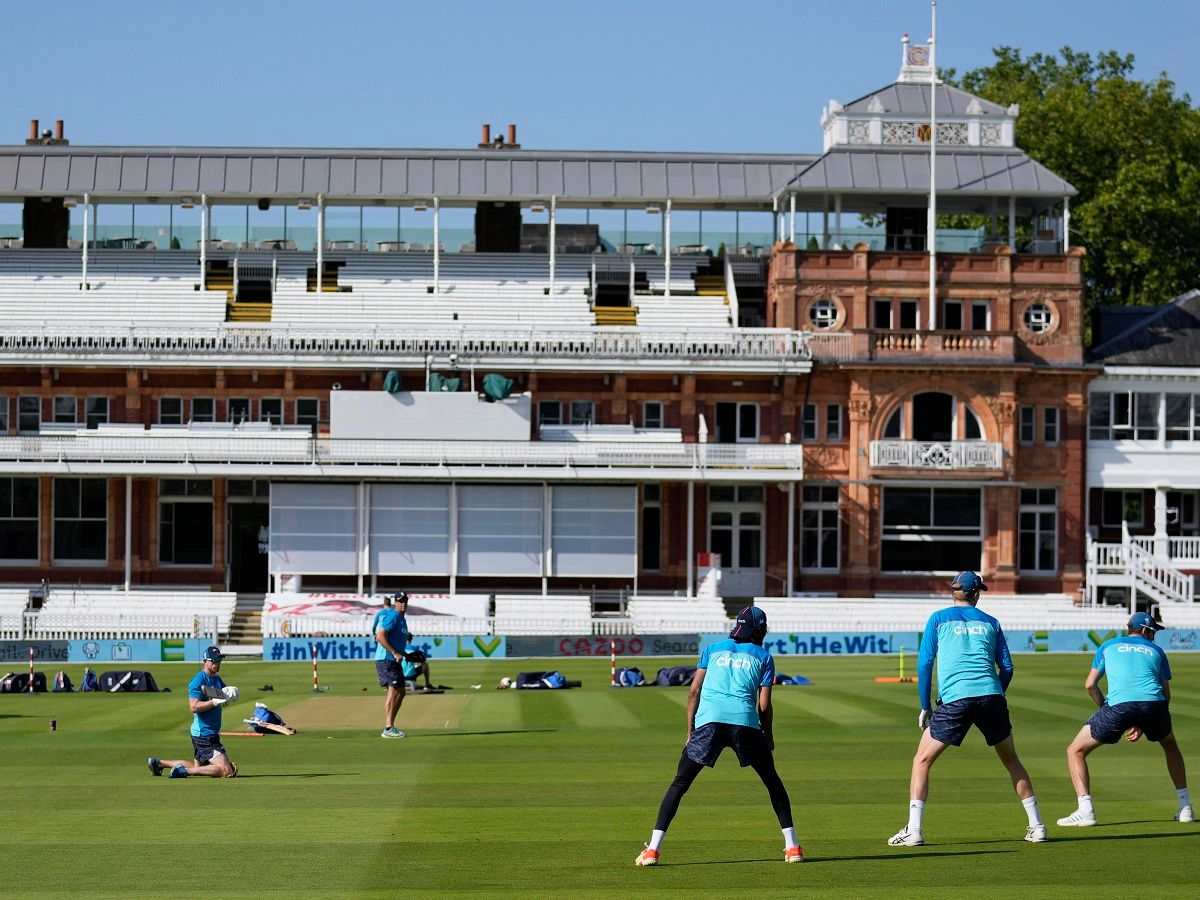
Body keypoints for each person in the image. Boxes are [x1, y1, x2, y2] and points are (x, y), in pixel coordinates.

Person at [635, 606, 803, 867]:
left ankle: (652, 851)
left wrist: (691, 731)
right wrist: (767, 735)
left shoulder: (712, 649)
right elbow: (765, 705)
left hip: (709, 722)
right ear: (760, 630)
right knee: (773, 783)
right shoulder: (764, 656)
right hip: (745, 723)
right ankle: (792, 848)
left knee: (679, 784)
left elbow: (693, 691)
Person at [888, 571, 1047, 846]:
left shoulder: (938, 619)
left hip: (955, 700)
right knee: (1012, 761)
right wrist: (997, 694)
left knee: (922, 761)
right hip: (991, 696)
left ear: (954, 592)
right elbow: (1007, 668)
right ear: (976, 594)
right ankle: (1037, 825)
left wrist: (925, 706)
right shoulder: (991, 622)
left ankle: (914, 831)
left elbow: (925, 663)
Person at [1057, 611, 1192, 826]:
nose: (1154, 636)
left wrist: (1108, 711)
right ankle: (1186, 808)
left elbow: (1090, 685)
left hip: (1119, 707)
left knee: (1075, 750)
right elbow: (1166, 694)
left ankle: (1086, 810)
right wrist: (1144, 719)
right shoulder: (1157, 651)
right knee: (1169, 743)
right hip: (1154, 705)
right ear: (1146, 631)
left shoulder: (1108, 646)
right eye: (1153, 632)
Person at [147, 645, 239, 778]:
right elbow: (194, 706)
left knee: (200, 768)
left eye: (219, 661)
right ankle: (184, 771)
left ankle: (158, 763)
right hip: (205, 734)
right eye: (214, 661)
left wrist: (231, 695)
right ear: (205, 661)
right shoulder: (198, 680)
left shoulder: (217, 679)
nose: (217, 664)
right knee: (227, 771)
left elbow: (224, 698)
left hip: (207, 732)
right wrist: (214, 702)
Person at [373, 592, 420, 738]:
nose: (403, 603)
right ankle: (388, 728)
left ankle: (390, 725)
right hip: (387, 658)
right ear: (395, 602)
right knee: (393, 691)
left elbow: (396, 641)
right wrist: (394, 652)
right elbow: (380, 635)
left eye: (405, 600)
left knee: (401, 691)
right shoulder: (393, 616)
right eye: (400, 601)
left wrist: (406, 655)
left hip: (393, 659)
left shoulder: (402, 620)